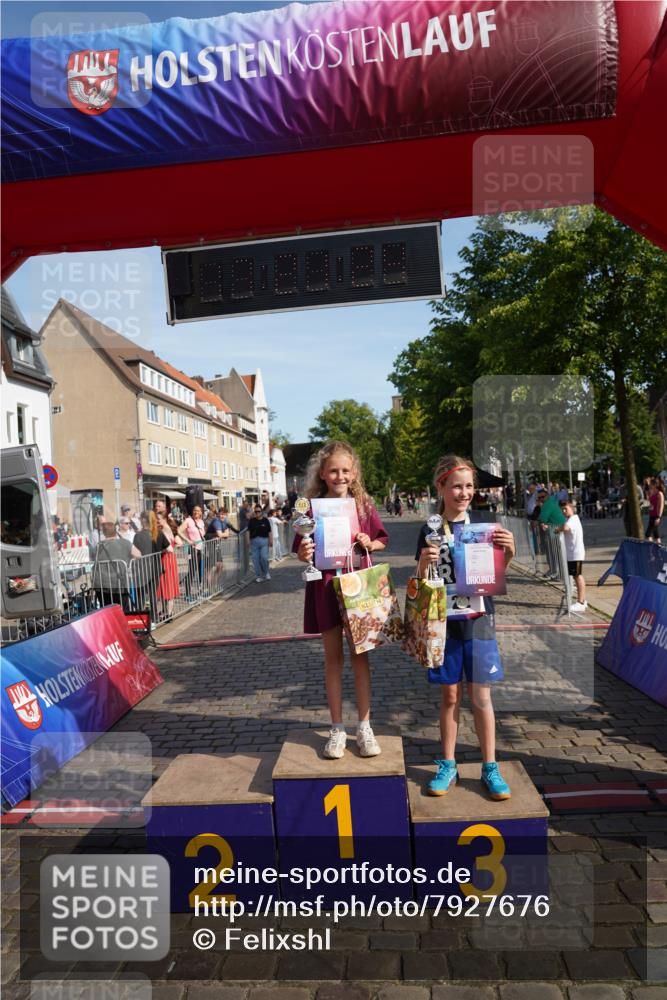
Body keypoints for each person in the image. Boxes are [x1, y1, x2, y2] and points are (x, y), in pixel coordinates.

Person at [416, 455, 515, 800]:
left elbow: (495, 573)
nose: (464, 492)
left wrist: (509, 553)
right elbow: (421, 582)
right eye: (456, 485)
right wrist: (423, 565)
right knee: (450, 695)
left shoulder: (485, 526)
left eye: (469, 486)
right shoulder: (429, 529)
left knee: (481, 696)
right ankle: (448, 763)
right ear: (440, 487)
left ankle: (490, 765)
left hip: (481, 621)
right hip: (444, 622)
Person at [295, 440, 388, 760]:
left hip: (356, 585)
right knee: (332, 659)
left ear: (355, 472)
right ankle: (336, 728)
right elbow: (300, 548)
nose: (339, 475)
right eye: (333, 470)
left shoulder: (363, 505)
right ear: (322, 472)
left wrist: (368, 542)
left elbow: (380, 539)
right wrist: (303, 552)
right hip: (324, 586)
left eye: (345, 470)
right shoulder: (310, 507)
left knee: (360, 657)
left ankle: (364, 726)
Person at [92, 521, 140, 611]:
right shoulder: (125, 543)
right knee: (122, 609)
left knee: (107, 610)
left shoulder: (99, 546)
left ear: (104, 533)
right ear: (116, 531)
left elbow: (93, 557)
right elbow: (138, 554)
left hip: (102, 584)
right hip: (119, 583)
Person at [133, 510, 170, 622]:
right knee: (153, 594)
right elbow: (169, 549)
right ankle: (153, 619)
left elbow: (135, 554)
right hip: (155, 568)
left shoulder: (138, 535)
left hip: (143, 569)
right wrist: (159, 552)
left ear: (144, 520)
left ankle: (142, 620)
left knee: (141, 596)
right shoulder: (158, 533)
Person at [555, 500, 587, 612]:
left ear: (571, 508)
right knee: (575, 576)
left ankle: (581, 602)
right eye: (562, 509)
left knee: (578, 576)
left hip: (575, 553)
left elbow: (565, 528)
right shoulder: (569, 519)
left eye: (566, 509)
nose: (564, 511)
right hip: (572, 553)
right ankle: (583, 599)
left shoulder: (573, 519)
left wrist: (558, 529)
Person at [156, 510, 182, 619]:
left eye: (159, 519)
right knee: (165, 585)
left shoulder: (165, 529)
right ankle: (166, 611)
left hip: (166, 559)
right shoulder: (167, 528)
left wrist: (159, 550)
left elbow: (169, 548)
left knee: (167, 585)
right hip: (169, 560)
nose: (157, 521)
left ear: (164, 519)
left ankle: (169, 612)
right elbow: (179, 542)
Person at [177, 504, 206, 596]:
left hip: (201, 549)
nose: (196, 512)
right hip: (193, 549)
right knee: (192, 571)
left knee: (201, 569)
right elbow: (178, 530)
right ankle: (188, 593)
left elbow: (202, 535)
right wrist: (188, 540)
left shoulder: (201, 521)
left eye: (198, 510)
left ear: (201, 512)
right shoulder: (188, 520)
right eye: (194, 510)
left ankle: (200, 589)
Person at [248, 504, 273, 581]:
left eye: (258, 511)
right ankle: (258, 576)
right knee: (255, 560)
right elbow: (247, 532)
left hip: (264, 541)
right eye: (255, 512)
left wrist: (271, 540)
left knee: (264, 558)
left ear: (261, 512)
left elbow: (269, 531)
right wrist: (247, 542)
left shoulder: (266, 520)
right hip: (254, 542)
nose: (257, 513)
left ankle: (266, 573)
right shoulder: (251, 521)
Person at [646, 477, 665, 541]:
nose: (650, 485)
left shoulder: (659, 493)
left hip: (656, 516)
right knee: (656, 534)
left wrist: (658, 517)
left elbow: (661, 506)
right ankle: (658, 549)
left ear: (654, 485)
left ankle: (652, 549)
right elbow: (650, 501)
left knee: (648, 534)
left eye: (651, 484)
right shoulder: (652, 493)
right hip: (651, 514)